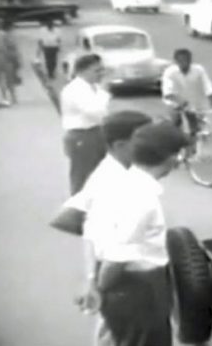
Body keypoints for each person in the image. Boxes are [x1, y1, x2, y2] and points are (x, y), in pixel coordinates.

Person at [77, 121, 188, 346]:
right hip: (139, 291)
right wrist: (99, 289)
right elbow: (117, 258)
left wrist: (92, 281)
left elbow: (91, 231)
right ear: (171, 158)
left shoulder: (117, 183)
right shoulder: (143, 198)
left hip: (118, 285)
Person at [60, 54, 110, 195]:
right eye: (97, 70)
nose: (101, 74)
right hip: (82, 136)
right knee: (82, 176)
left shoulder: (93, 88)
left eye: (102, 70)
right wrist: (104, 94)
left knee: (100, 174)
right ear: (83, 71)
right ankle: (78, 211)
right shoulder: (75, 90)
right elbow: (96, 112)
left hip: (96, 132)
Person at [161, 48, 212, 139]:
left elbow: (208, 87)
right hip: (175, 103)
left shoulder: (199, 70)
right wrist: (182, 102)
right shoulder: (169, 72)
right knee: (175, 124)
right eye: (180, 61)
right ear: (176, 61)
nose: (184, 63)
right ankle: (175, 148)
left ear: (190, 60)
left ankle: (193, 149)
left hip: (194, 104)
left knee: (196, 128)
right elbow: (168, 93)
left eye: (186, 60)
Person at [0, 19, 21, 105]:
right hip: (8, 59)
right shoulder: (8, 36)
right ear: (9, 27)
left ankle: (5, 98)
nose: (14, 29)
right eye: (13, 27)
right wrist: (17, 60)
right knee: (10, 80)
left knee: (2, 79)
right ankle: (13, 97)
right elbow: (13, 49)